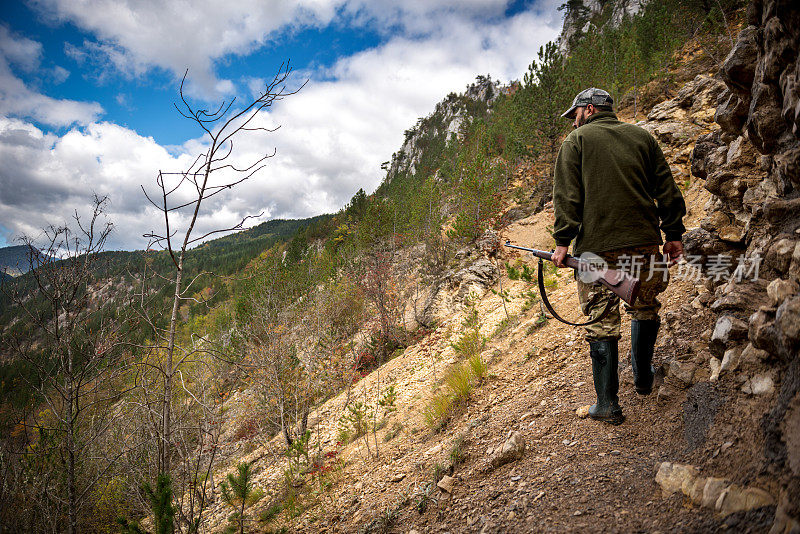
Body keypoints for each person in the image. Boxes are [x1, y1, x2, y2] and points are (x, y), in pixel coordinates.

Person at [551, 88, 687, 425]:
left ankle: (608, 405)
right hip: (644, 242)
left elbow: (568, 196)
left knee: (601, 319)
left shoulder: (576, 142)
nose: (573, 122)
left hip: (597, 248)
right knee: (645, 305)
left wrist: (562, 241)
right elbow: (666, 189)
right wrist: (674, 235)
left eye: (575, 115)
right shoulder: (642, 137)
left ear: (590, 109)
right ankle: (643, 378)